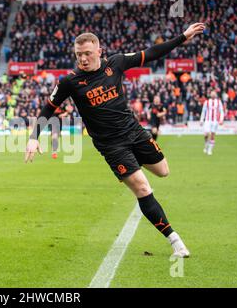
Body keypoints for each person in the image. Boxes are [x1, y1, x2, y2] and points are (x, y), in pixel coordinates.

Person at [26, 23, 207, 258]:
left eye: (87, 54)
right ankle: (175, 240)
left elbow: (151, 53)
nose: (82, 59)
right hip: (111, 146)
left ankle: (131, 169)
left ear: (99, 51)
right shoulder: (69, 82)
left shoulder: (117, 63)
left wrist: (182, 37)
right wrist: (33, 138)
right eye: (78, 54)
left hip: (135, 132)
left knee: (163, 171)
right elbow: (47, 109)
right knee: (142, 187)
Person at [200, 90, 224, 155]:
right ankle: (206, 145)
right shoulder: (207, 102)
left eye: (214, 94)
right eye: (212, 94)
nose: (213, 95)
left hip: (215, 121)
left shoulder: (219, 102)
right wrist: (201, 120)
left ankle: (210, 150)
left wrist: (221, 120)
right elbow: (203, 111)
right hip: (207, 120)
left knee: (212, 135)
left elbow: (221, 111)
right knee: (206, 134)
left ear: (216, 95)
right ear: (210, 95)